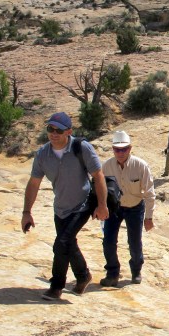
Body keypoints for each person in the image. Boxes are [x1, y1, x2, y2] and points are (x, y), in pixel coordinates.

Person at [21, 112, 109, 300]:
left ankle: (56, 286)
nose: (53, 133)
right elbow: (34, 183)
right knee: (68, 243)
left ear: (69, 131)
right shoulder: (43, 154)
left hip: (82, 204)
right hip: (60, 207)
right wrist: (26, 212)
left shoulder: (81, 148)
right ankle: (83, 276)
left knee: (61, 244)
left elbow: (98, 176)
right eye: (50, 129)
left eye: (58, 130)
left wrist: (102, 205)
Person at [100, 131, 155, 287]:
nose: (120, 153)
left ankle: (136, 271)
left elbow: (150, 193)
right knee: (108, 241)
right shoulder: (107, 166)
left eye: (124, 149)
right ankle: (112, 273)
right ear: (113, 149)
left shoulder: (141, 166)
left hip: (135, 207)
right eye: (117, 149)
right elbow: (100, 188)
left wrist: (149, 218)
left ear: (130, 148)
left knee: (135, 242)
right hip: (114, 208)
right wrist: (100, 207)